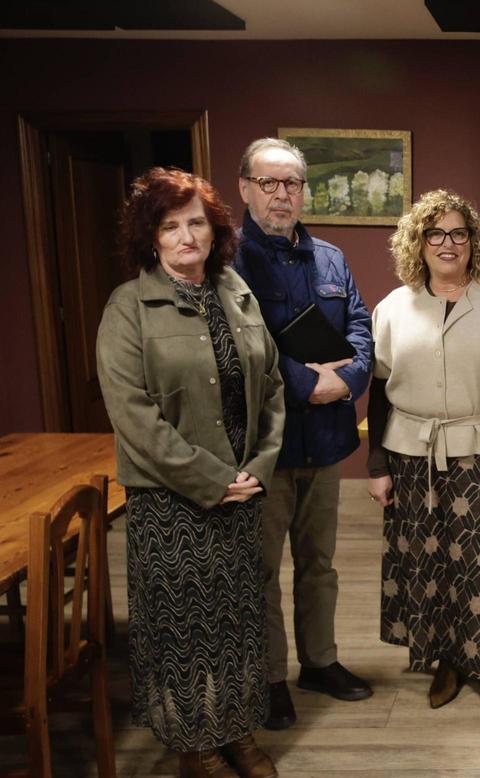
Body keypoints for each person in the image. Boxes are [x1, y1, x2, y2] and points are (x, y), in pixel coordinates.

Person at [97, 167, 285, 777]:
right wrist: (211, 479)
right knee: (181, 630)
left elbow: (273, 389)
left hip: (242, 493)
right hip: (172, 505)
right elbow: (134, 415)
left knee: (236, 621)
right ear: (151, 237)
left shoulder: (237, 292)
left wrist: (255, 468)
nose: (186, 237)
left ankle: (235, 734)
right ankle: (193, 746)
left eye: (196, 223)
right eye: (171, 225)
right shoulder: (129, 307)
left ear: (215, 230)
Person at [366, 189, 480, 717]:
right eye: (435, 234)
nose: (448, 244)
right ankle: (447, 658)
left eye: (458, 233)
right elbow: (377, 391)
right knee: (428, 563)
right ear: (417, 244)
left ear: (473, 242)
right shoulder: (394, 308)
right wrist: (376, 466)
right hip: (409, 454)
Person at [232, 138, 374, 730]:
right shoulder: (226, 262)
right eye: (270, 183)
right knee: (261, 570)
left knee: (319, 564)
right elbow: (238, 348)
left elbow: (362, 328)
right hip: (263, 449)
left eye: (292, 183)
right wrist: (302, 381)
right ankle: (270, 679)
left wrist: (347, 379)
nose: (282, 194)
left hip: (325, 442)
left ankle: (320, 662)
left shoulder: (332, 259)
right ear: (245, 189)